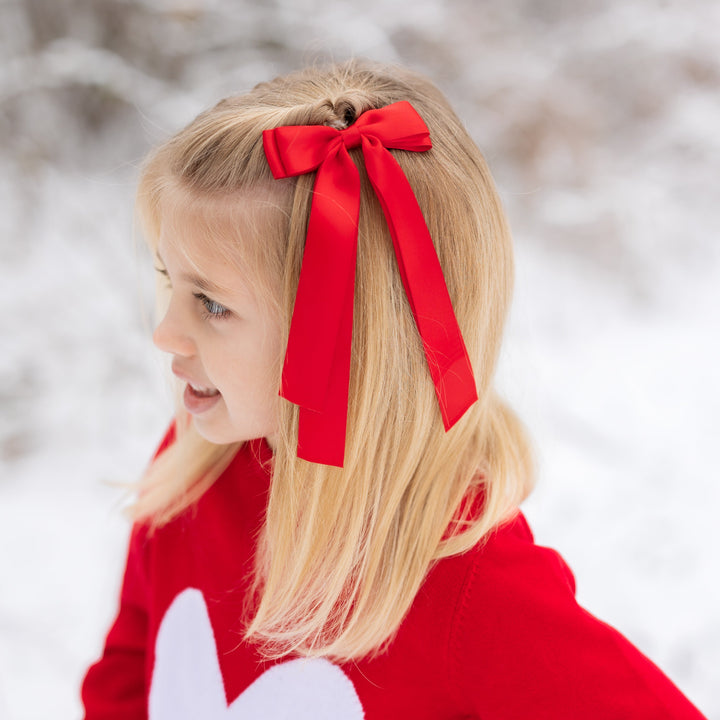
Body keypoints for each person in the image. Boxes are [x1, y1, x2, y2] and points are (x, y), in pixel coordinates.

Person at [81, 59, 707, 719]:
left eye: (210, 305)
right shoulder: (194, 462)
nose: (165, 333)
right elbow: (128, 674)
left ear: (346, 339)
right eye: (168, 279)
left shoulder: (466, 582)